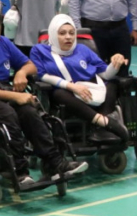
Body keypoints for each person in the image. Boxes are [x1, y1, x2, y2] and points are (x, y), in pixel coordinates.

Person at [0, 4, 87, 189]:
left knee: (30, 112)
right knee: (7, 113)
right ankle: (18, 171)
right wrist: (14, 96)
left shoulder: (3, 43)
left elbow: (31, 65)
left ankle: (55, 163)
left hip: (3, 93)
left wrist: (21, 73)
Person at [30, 14, 130, 144]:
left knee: (112, 84)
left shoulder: (83, 49)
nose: (68, 37)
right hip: (69, 95)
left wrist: (115, 64)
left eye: (72, 33)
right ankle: (105, 122)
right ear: (53, 34)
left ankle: (101, 130)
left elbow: (105, 74)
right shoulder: (39, 50)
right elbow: (42, 75)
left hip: (92, 91)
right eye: (62, 33)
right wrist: (72, 87)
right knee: (58, 93)